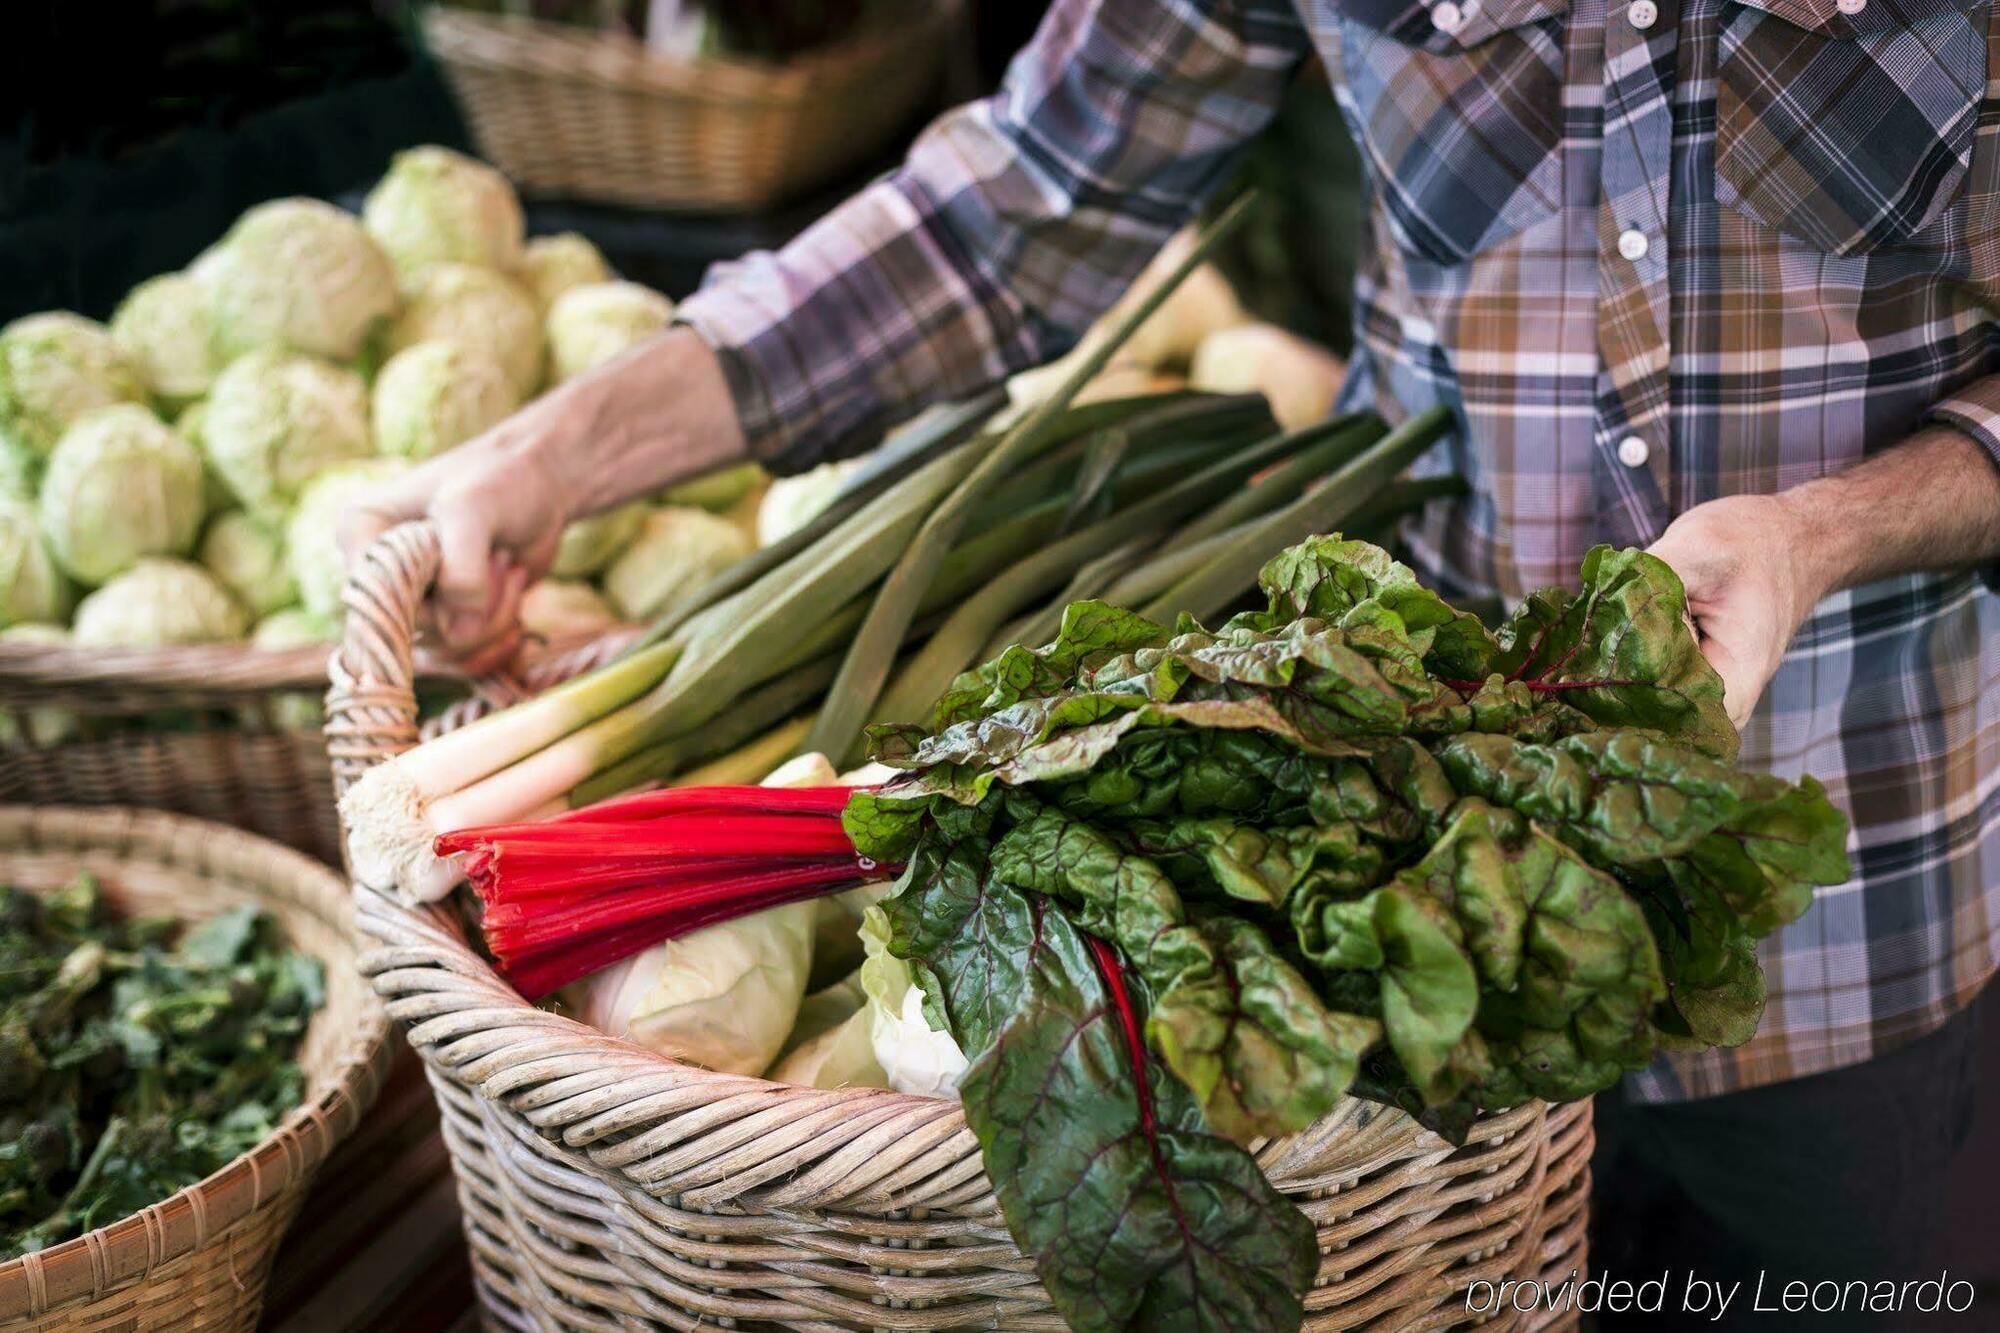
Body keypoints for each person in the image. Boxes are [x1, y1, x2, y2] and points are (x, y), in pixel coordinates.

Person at [343, 0, 2000, 1303]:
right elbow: (1026, 200)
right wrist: (562, 452)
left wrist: (1821, 531)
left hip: (1859, 900)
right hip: (1396, 895)